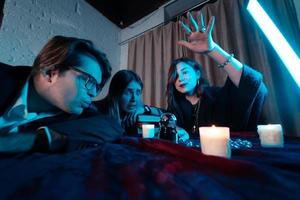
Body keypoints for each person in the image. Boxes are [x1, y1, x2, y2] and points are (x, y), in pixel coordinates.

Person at [0, 35, 123, 152]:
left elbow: (112, 127)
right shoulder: (4, 76)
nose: (93, 93)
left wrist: (42, 139)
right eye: (88, 81)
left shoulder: (74, 113)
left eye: (97, 87)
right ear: (50, 72)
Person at [167, 13, 267, 138]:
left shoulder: (217, 96)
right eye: (175, 76)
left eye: (185, 72)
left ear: (197, 74)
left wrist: (212, 50)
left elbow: (251, 82)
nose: (180, 78)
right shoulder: (174, 107)